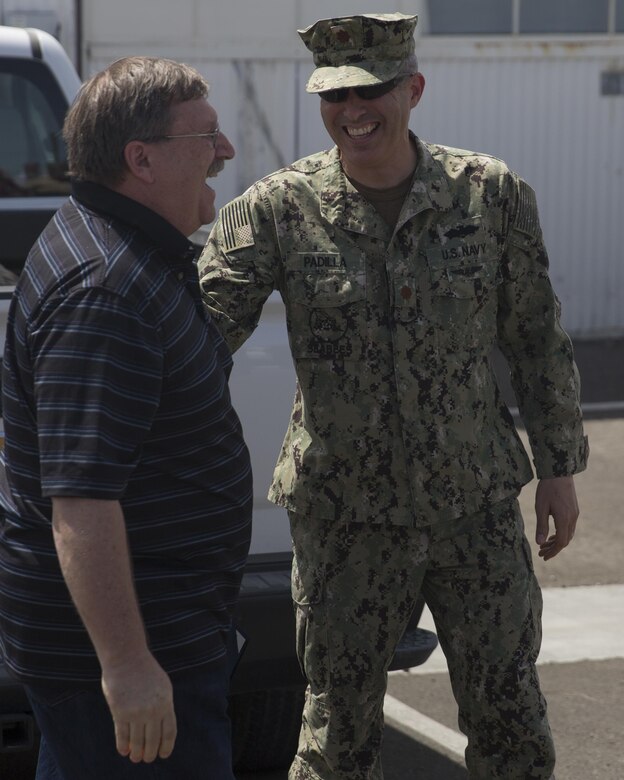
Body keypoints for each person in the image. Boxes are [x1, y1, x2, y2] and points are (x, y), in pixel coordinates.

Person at [198, 12, 588, 780]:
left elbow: (536, 338)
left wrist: (560, 467)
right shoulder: (279, 208)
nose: (354, 110)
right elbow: (198, 337)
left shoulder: (490, 194)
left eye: (372, 88)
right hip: (345, 520)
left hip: (472, 507)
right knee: (335, 733)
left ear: (412, 88)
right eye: (335, 95)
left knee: (511, 719)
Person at [0, 56, 252, 779]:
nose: (225, 151)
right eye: (206, 136)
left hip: (159, 635)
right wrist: (129, 667)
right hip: (133, 656)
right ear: (140, 159)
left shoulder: (129, 252)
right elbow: (81, 502)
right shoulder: (107, 291)